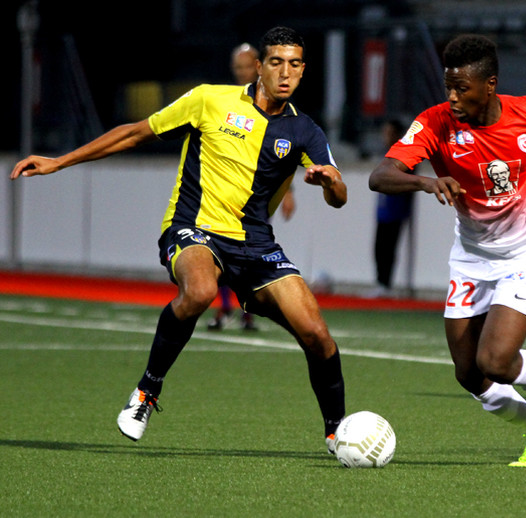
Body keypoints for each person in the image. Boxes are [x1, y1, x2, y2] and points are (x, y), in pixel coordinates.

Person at [10, 27, 350, 454]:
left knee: (317, 335)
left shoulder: (306, 130)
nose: (285, 73)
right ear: (259, 66)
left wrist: (329, 182)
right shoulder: (210, 99)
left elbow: (339, 198)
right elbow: (136, 132)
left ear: (303, 71)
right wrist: (60, 162)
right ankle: (146, 393)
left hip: (257, 245)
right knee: (202, 290)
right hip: (194, 229)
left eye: (295, 64)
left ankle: (338, 433)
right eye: (276, 62)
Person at [369, 34, 526, 467]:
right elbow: (381, 175)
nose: (451, 97)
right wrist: (426, 181)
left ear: (490, 85)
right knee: (469, 373)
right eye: (448, 86)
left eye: (461, 88)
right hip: (471, 255)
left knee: (496, 361)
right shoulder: (434, 123)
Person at [209, 42, 297, 331]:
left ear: (258, 66)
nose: (243, 72)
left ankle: (246, 311)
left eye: (247, 66)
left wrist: (288, 192)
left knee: (249, 253)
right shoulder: (226, 103)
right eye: (238, 68)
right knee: (220, 251)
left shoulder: (275, 104)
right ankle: (224, 309)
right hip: (225, 195)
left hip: (259, 196)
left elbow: (286, 152)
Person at [370, 119, 415, 297]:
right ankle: (380, 282)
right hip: (383, 209)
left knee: (389, 247)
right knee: (379, 247)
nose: (385, 137)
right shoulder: (386, 155)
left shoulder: (404, 155)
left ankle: (386, 283)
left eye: (389, 133)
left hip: (396, 209)